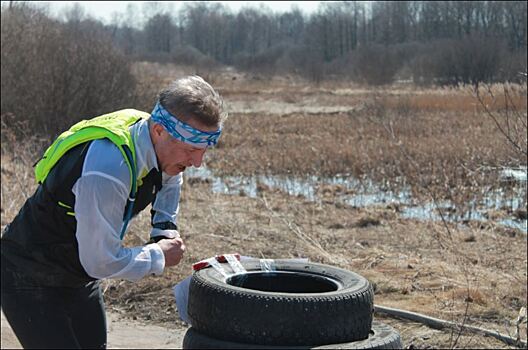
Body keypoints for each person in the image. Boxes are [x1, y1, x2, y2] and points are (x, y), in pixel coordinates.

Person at [0, 76, 228, 349]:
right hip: (28, 273)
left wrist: (163, 229)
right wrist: (158, 255)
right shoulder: (109, 169)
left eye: (202, 151)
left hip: (77, 273)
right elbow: (100, 261)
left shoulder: (156, 138)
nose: (198, 163)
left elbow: (169, 178)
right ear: (158, 131)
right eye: (191, 150)